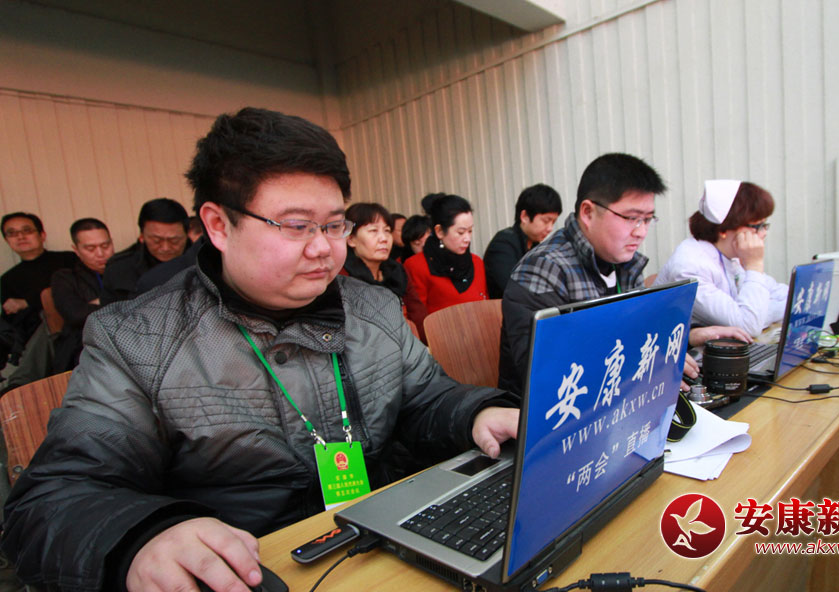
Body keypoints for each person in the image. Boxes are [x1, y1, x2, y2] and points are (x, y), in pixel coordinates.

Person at [0, 106, 519, 592]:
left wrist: (477, 412)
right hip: (249, 571)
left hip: (383, 547)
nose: (323, 248)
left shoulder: (373, 307)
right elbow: (51, 501)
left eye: (334, 225)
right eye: (295, 226)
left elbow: (426, 398)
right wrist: (140, 539)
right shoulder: (138, 339)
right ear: (218, 225)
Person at [498, 154, 750, 395]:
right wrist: (649, 356)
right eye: (631, 218)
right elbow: (554, 378)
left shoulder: (622, 262)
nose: (641, 232)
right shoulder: (542, 271)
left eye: (647, 219)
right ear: (588, 213)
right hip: (561, 417)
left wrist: (688, 336)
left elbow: (639, 331)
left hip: (621, 400)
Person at [654, 180, 787, 336]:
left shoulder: (731, 254)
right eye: (757, 227)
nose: (763, 234)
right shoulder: (690, 266)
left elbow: (789, 298)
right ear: (724, 229)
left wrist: (761, 311)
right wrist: (755, 266)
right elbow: (749, 325)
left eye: (765, 225)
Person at [0, 212, 77, 366]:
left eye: (27, 230)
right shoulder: (7, 280)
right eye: (12, 233)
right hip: (33, 336)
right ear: (7, 240)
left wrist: (27, 302)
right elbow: (13, 321)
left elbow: (78, 290)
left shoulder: (68, 259)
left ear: (42, 235)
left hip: (72, 324)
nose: (20, 237)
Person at [403, 194, 488, 325]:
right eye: (461, 232)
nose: (467, 239)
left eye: (470, 231)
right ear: (440, 231)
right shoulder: (416, 266)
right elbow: (418, 319)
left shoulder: (477, 262)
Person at [341, 202, 426, 332]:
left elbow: (418, 314)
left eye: (387, 231)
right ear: (351, 239)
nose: (384, 238)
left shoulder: (397, 271)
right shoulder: (342, 277)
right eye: (373, 231)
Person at [49, 218, 115, 372]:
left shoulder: (127, 270)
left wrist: (98, 303)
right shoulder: (65, 277)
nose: (100, 254)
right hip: (83, 347)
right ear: (76, 250)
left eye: (105, 246)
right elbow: (75, 315)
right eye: (90, 248)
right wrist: (117, 302)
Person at [100, 197, 190, 304]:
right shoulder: (118, 270)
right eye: (157, 240)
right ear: (142, 236)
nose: (165, 248)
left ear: (187, 235)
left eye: (174, 241)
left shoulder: (202, 261)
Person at [484, 183, 562, 298]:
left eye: (553, 222)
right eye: (546, 221)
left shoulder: (536, 246)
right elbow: (512, 290)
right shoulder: (502, 245)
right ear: (524, 216)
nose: (550, 228)